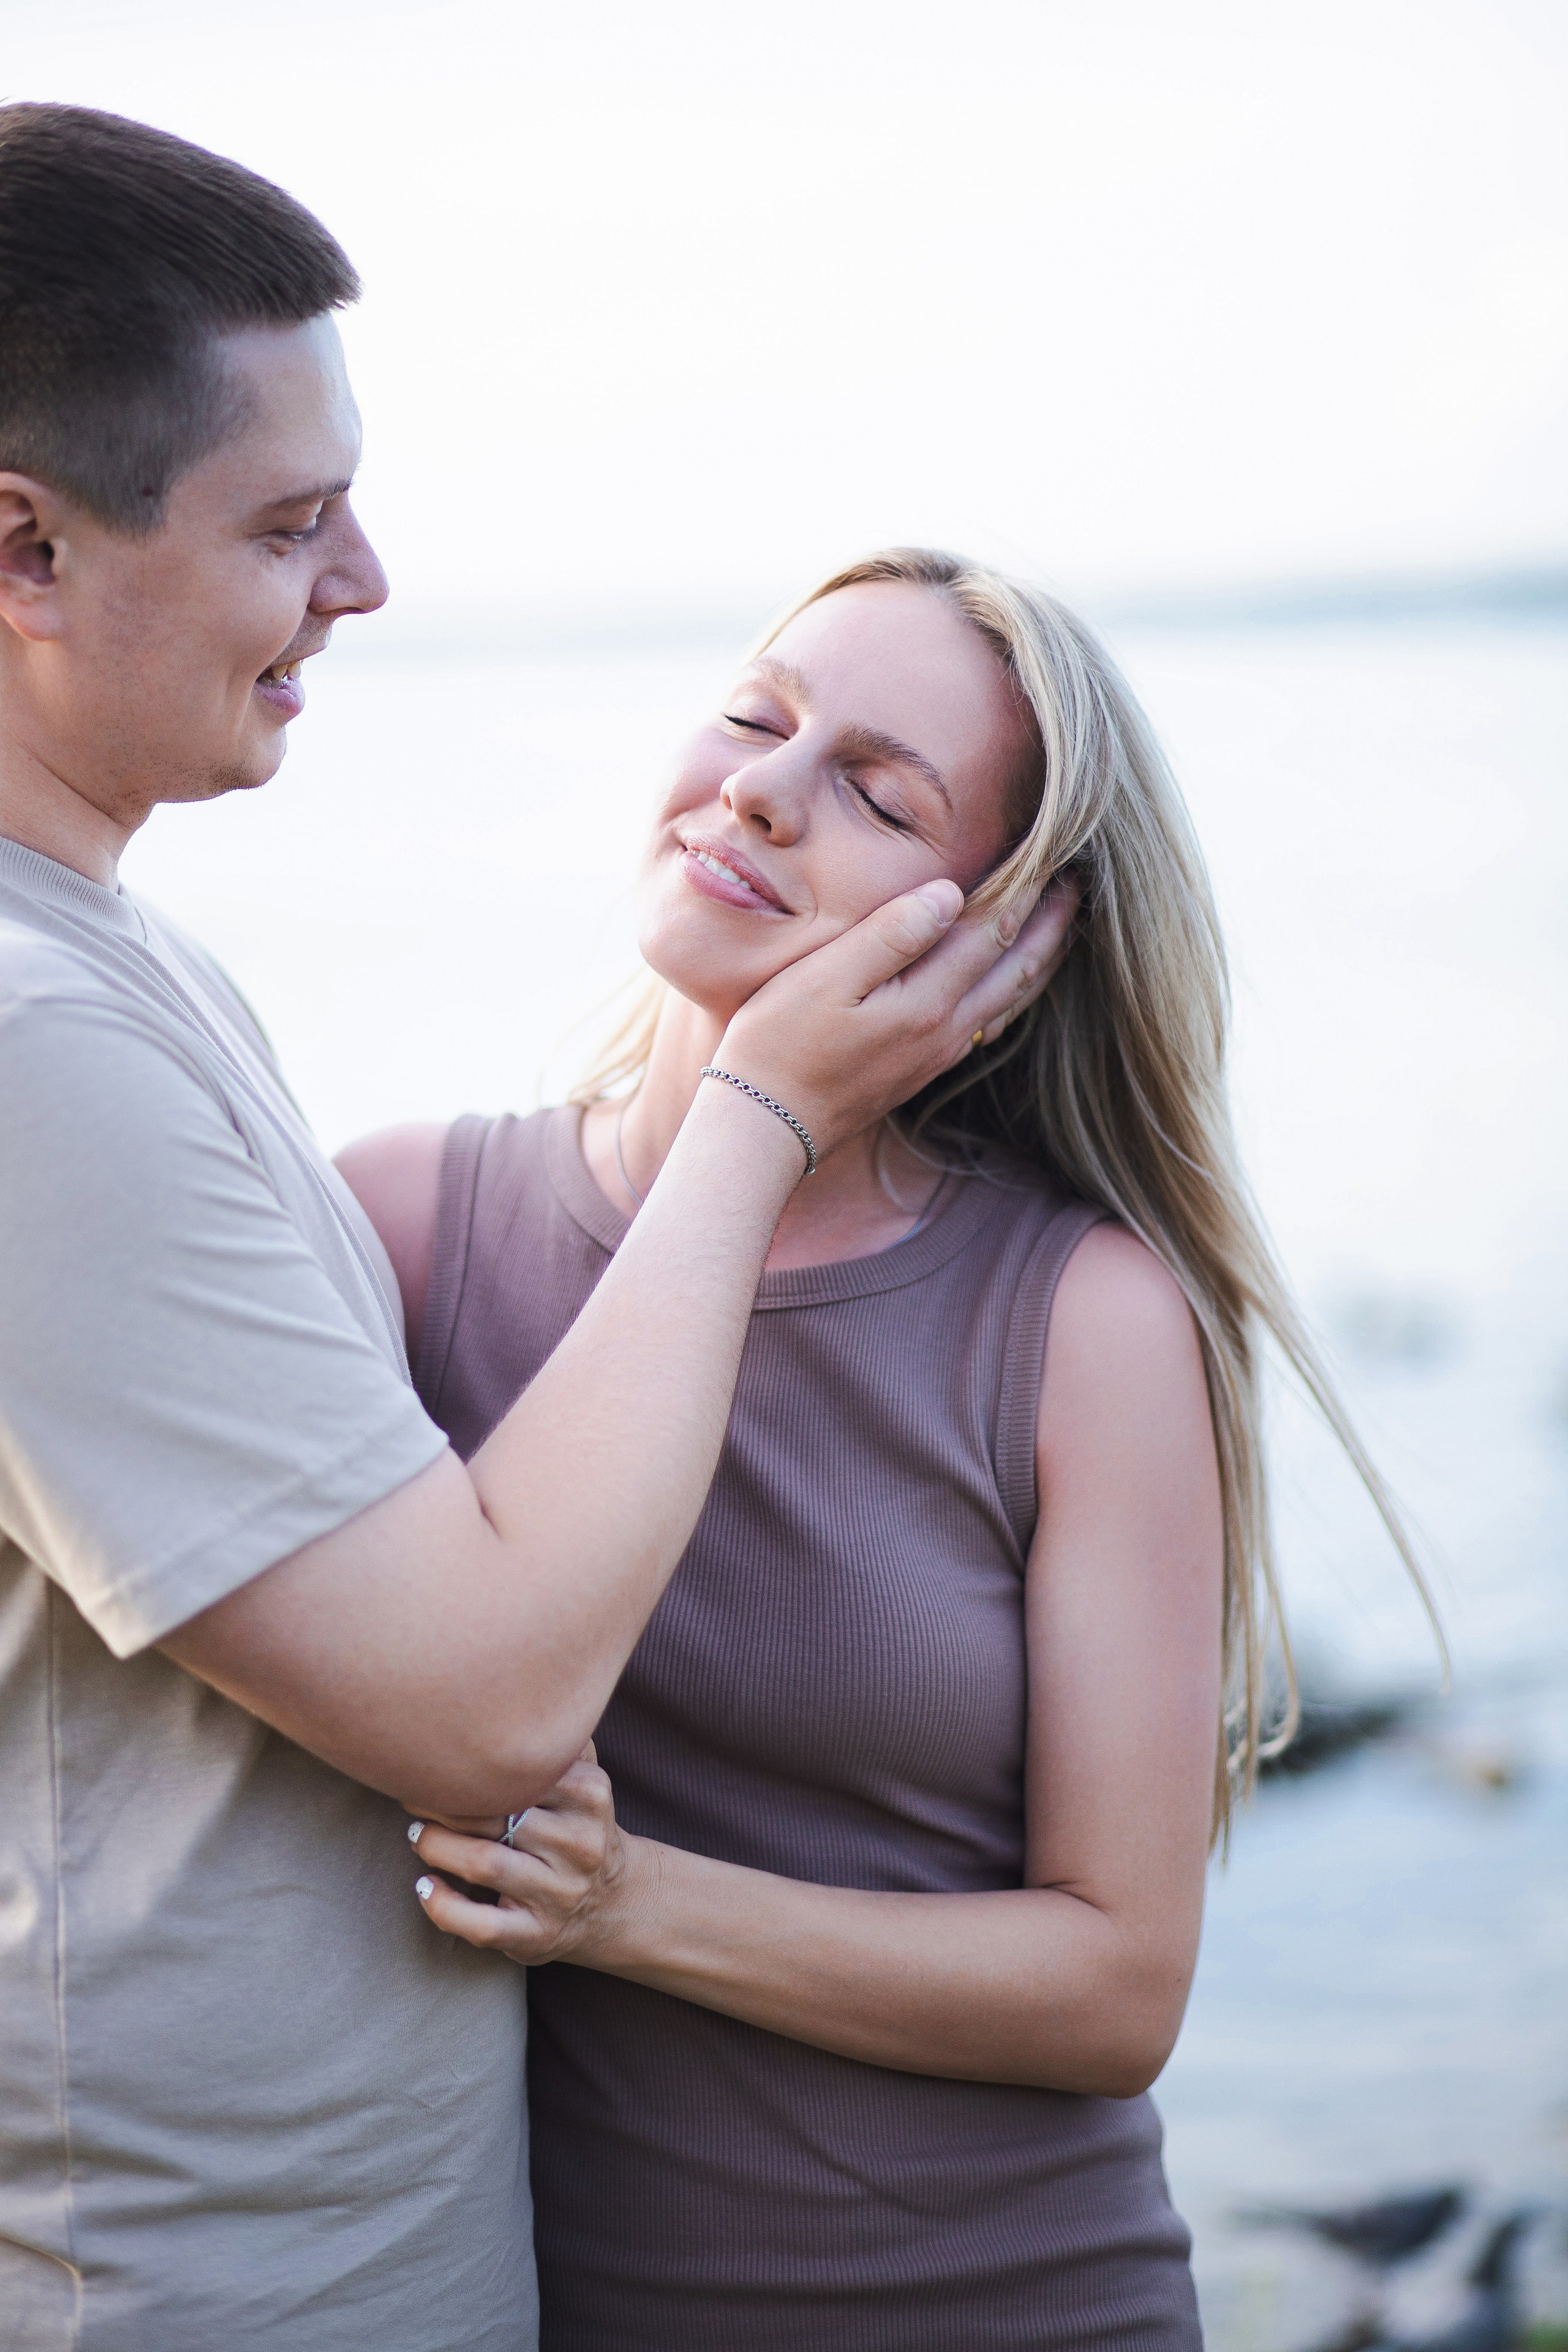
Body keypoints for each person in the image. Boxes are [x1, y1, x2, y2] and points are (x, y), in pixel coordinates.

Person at [0, 113, 1069, 2352]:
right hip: (209, 2294)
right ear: (25, 548)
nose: (364, 581)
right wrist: (764, 1112)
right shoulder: (31, 1043)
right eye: (291, 525)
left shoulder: (123, 962)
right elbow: (483, 1706)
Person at [345, 549, 1433, 2348]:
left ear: (1001, 937)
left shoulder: (1082, 1318)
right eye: (759, 717)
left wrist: (627, 1907)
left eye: (876, 790)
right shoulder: (403, 1227)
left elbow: (1114, 1981)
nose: (764, 790)